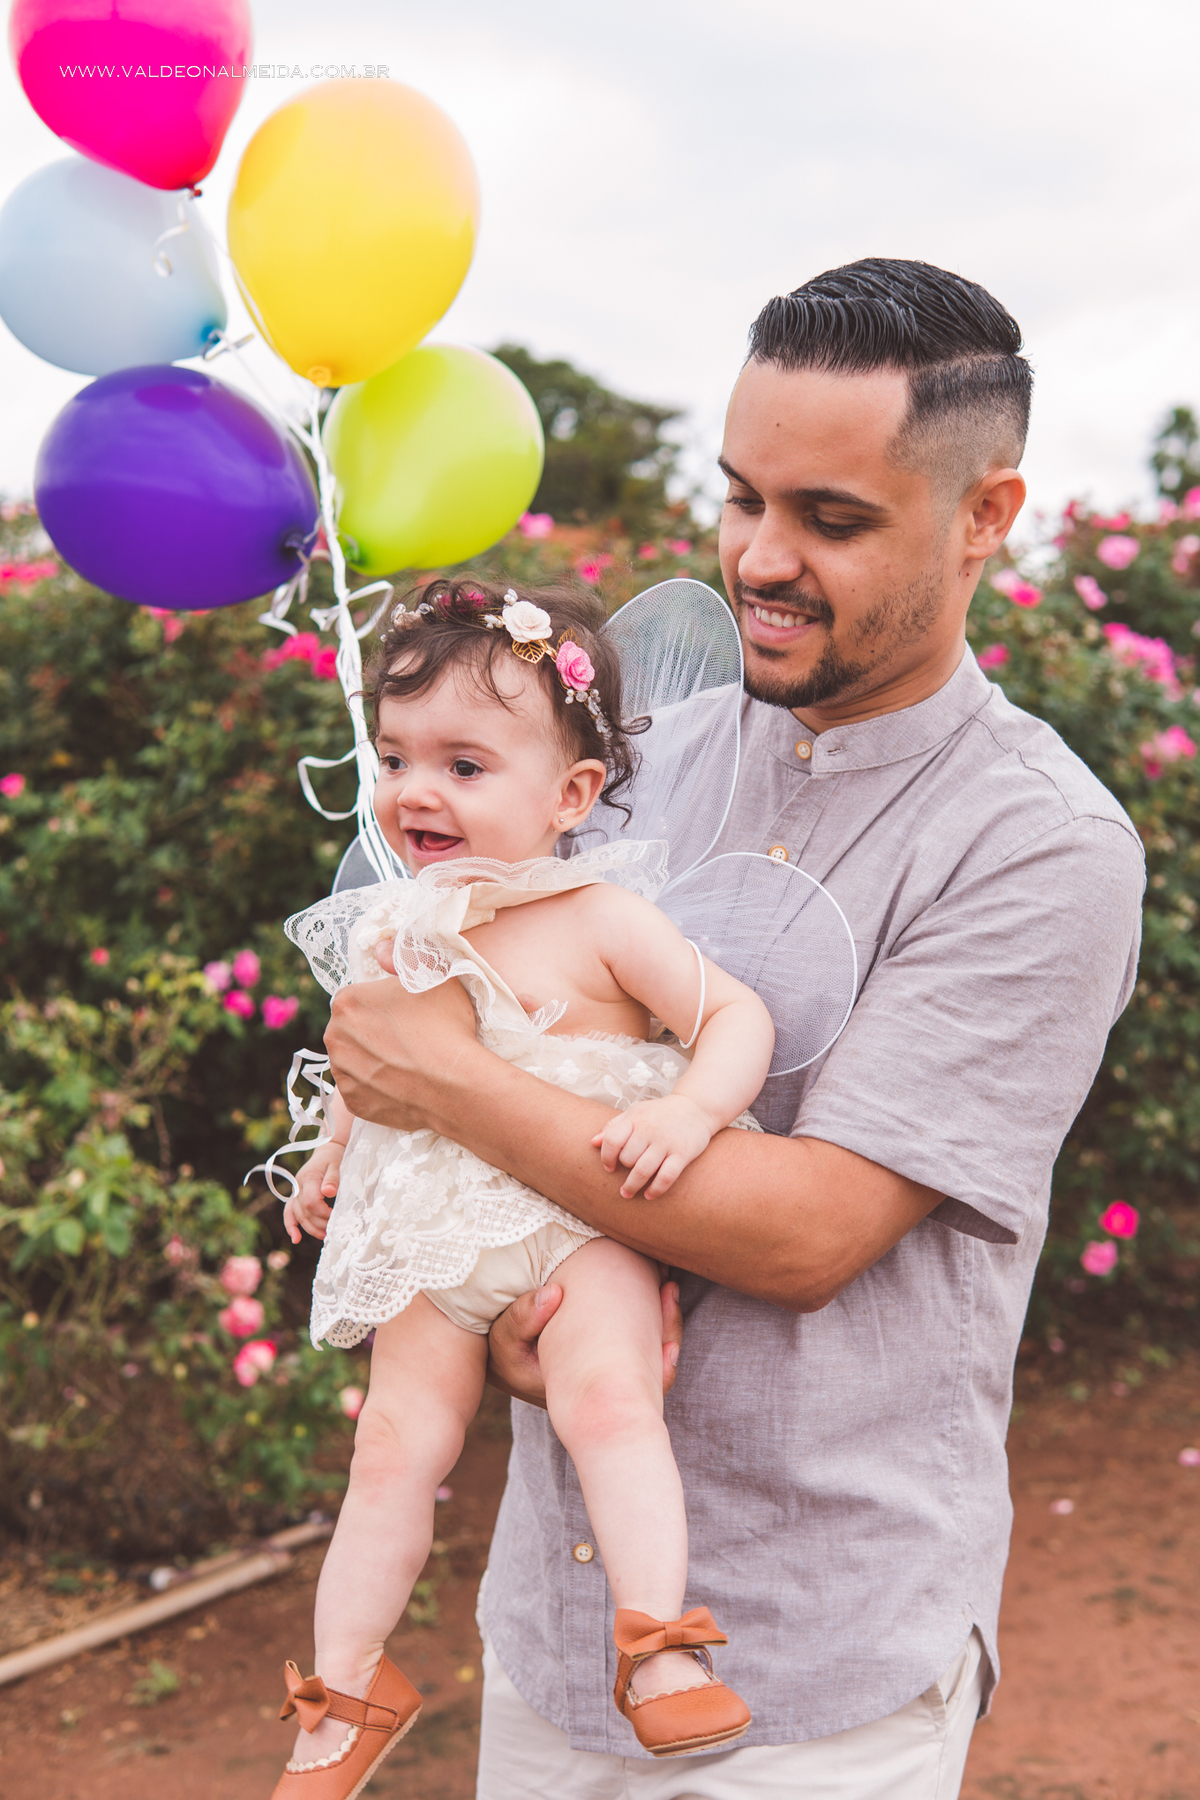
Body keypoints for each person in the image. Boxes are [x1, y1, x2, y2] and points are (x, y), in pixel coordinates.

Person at [300, 259, 1146, 1799]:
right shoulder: (633, 758)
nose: (759, 556)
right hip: (553, 1630)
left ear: (985, 516)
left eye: (830, 519)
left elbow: (809, 1231)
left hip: (819, 1663)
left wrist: (447, 1083)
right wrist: (473, 1272)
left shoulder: (1038, 847)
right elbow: (468, 1065)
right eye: (741, 496)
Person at [269, 584, 774, 1799]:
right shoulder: (396, 926)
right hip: (434, 1238)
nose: (413, 790)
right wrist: (331, 1154)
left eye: (463, 762)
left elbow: (736, 1018)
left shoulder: (601, 918)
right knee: (390, 1446)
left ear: (571, 796)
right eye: (394, 758)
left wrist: (691, 1111)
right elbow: (369, 1061)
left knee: (608, 1402)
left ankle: (655, 1642)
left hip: (573, 1224)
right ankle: (344, 1694)